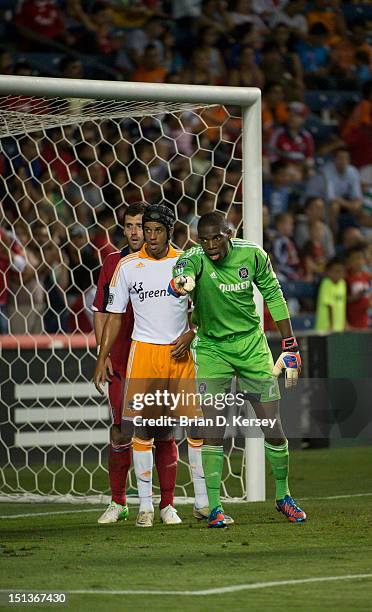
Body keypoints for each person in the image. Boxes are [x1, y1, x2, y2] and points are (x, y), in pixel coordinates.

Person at [170, 211, 306, 528]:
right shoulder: (194, 258)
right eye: (204, 240)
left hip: (250, 346)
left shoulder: (253, 254)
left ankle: (283, 496)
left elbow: (273, 293)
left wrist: (289, 343)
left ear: (229, 233)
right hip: (212, 348)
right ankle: (215, 507)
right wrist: (181, 283)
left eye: (216, 237)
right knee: (213, 427)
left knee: (272, 423)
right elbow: (179, 278)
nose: (211, 245)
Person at [94, 204, 215, 528]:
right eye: (145, 230)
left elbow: (205, 306)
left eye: (155, 231)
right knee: (141, 431)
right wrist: (100, 356)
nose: (149, 236)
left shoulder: (186, 263)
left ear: (169, 232)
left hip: (180, 356)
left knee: (195, 429)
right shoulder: (128, 266)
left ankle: (203, 503)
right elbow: (114, 316)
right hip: (144, 354)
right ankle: (144, 507)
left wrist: (192, 333)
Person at [315, 257, 346, 333]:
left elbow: (343, 306)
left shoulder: (343, 284)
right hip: (325, 327)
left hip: (339, 327)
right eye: (335, 271)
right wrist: (331, 325)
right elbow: (329, 306)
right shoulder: (326, 283)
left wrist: (344, 323)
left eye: (340, 272)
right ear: (328, 272)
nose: (337, 274)